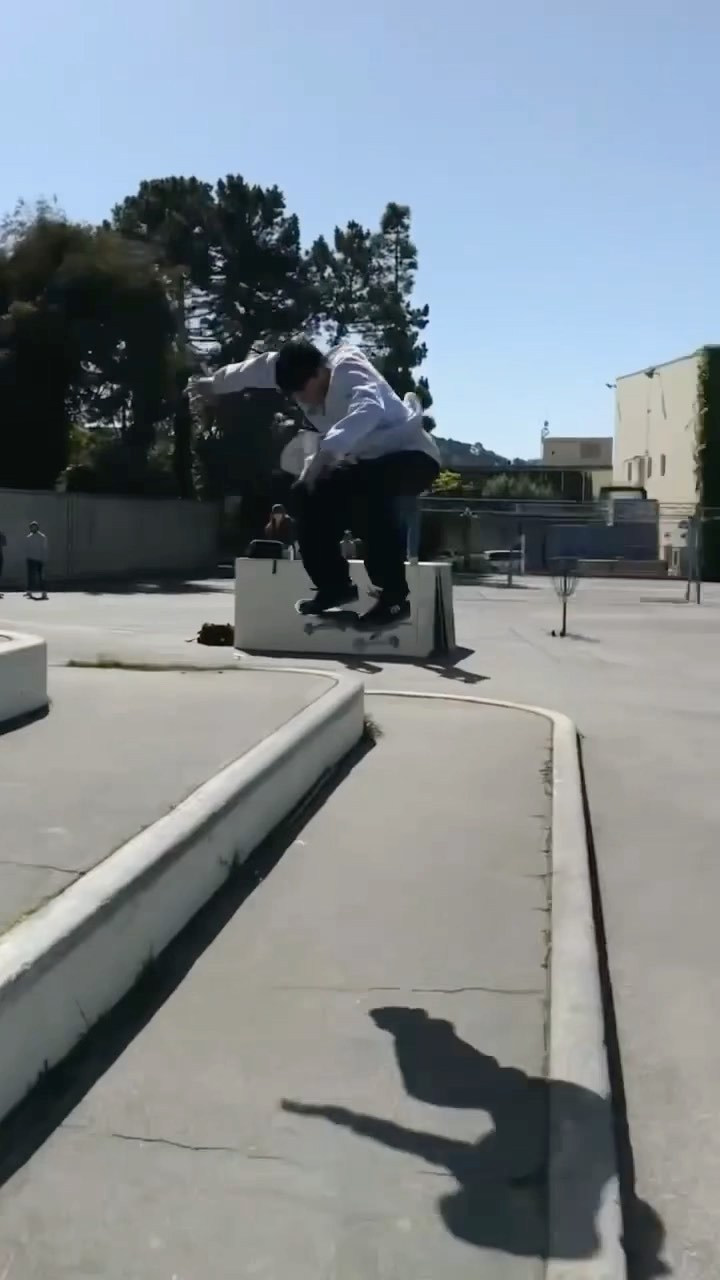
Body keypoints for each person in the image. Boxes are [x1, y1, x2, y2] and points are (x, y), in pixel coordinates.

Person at [190, 340, 440, 626]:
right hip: (366, 461)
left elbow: (369, 409)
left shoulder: (350, 370)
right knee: (307, 494)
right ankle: (334, 585)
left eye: (303, 390)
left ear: (321, 371)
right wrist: (212, 385)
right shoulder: (288, 368)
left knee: (366, 492)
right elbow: (252, 370)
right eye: (295, 394)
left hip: (413, 455)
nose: (303, 400)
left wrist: (324, 455)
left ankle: (394, 597)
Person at [25, 521, 48, 599]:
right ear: (30, 528)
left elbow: (44, 548)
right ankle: (29, 591)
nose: (33, 528)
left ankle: (44, 592)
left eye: (34, 527)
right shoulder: (29, 537)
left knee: (40, 576)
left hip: (39, 559)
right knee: (31, 576)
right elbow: (27, 548)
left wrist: (44, 558)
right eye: (32, 527)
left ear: (37, 528)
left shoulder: (42, 537)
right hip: (31, 559)